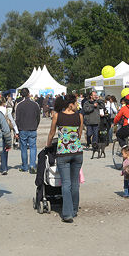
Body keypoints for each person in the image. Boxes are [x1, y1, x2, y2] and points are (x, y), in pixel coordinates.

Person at [47, 94, 83, 223]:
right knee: (75, 183)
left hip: (63, 153)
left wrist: (48, 144)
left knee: (66, 184)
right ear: (71, 104)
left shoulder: (57, 116)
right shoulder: (79, 116)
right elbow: (79, 134)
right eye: (76, 103)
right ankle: (74, 209)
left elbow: (52, 133)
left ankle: (67, 214)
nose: (77, 105)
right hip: (77, 152)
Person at [15, 88, 41, 174]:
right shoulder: (35, 104)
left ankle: (24, 166)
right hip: (33, 128)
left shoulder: (19, 105)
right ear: (29, 93)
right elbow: (38, 117)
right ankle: (32, 165)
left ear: (21, 95)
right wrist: (36, 125)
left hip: (23, 128)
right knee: (33, 147)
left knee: (23, 148)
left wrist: (17, 130)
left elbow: (17, 119)